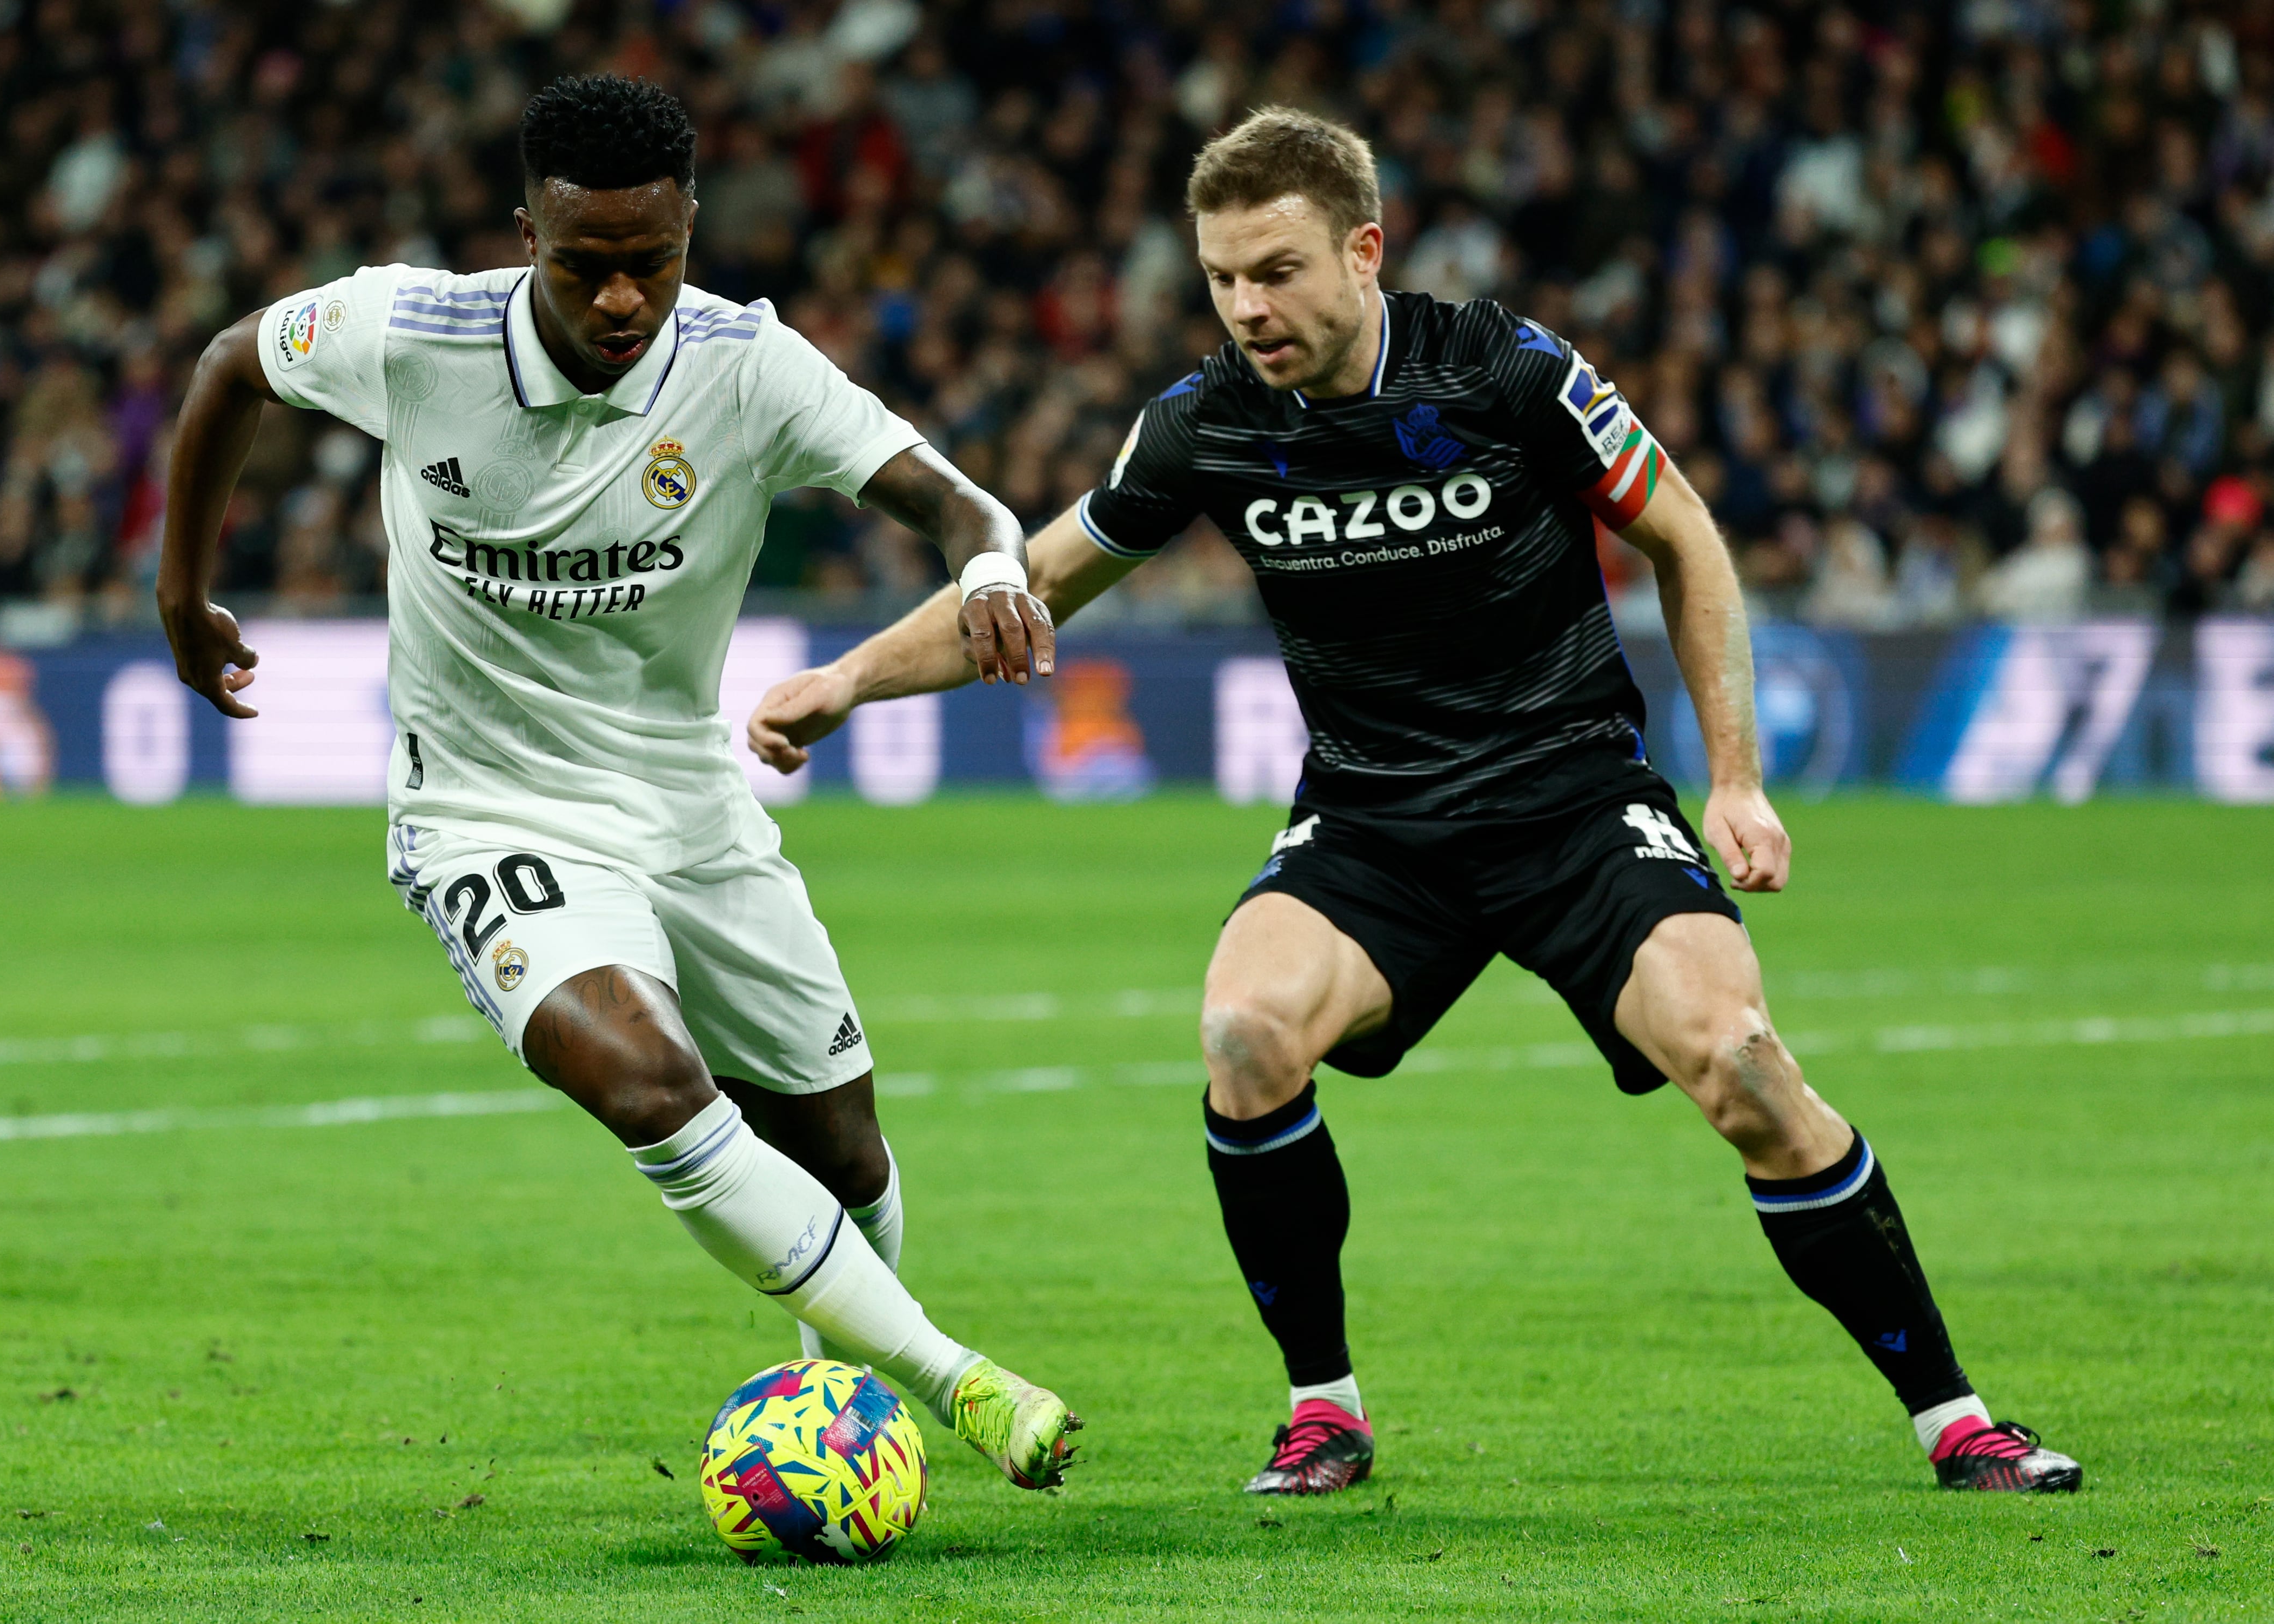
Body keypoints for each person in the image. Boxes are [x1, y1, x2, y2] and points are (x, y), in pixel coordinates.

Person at [751, 107, 2081, 1498]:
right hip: (1377, 819)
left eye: (1275, 270)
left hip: (1572, 795)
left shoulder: (1503, 371)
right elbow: (1026, 582)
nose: (1246, 307)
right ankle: (1322, 1410)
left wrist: (1733, 778)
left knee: (1740, 1060)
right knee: (1245, 1029)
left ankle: (1955, 1420)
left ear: (1364, 250)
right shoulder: (1207, 424)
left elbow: (1681, 533)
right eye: (1220, 277)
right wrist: (845, 679)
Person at [155, 75, 1078, 1492]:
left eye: (652, 261)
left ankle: (835, 1409)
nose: (622, 299)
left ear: (689, 228)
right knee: (646, 1083)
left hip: (685, 802)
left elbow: (954, 499)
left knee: (840, 1141)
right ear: (525, 232)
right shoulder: (409, 328)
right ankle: (951, 1378)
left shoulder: (747, 365)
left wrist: (993, 565)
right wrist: (181, 588)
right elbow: (231, 362)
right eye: (584, 265)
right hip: (481, 805)